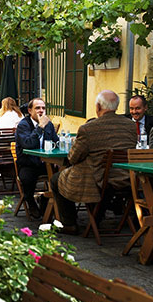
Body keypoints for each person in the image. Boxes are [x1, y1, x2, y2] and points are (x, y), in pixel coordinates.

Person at [51, 90, 137, 234]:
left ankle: (69, 222)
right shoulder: (130, 125)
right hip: (125, 177)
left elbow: (73, 158)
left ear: (98, 107)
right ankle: (97, 216)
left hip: (98, 179)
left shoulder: (89, 128)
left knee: (56, 179)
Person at [15, 98, 59, 218]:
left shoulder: (49, 125)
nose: (41, 111)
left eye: (43, 108)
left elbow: (56, 142)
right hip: (28, 163)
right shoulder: (23, 125)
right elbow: (28, 143)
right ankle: (31, 202)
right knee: (28, 179)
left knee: (61, 175)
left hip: (46, 163)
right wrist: (40, 127)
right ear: (30, 110)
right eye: (37, 108)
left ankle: (46, 198)